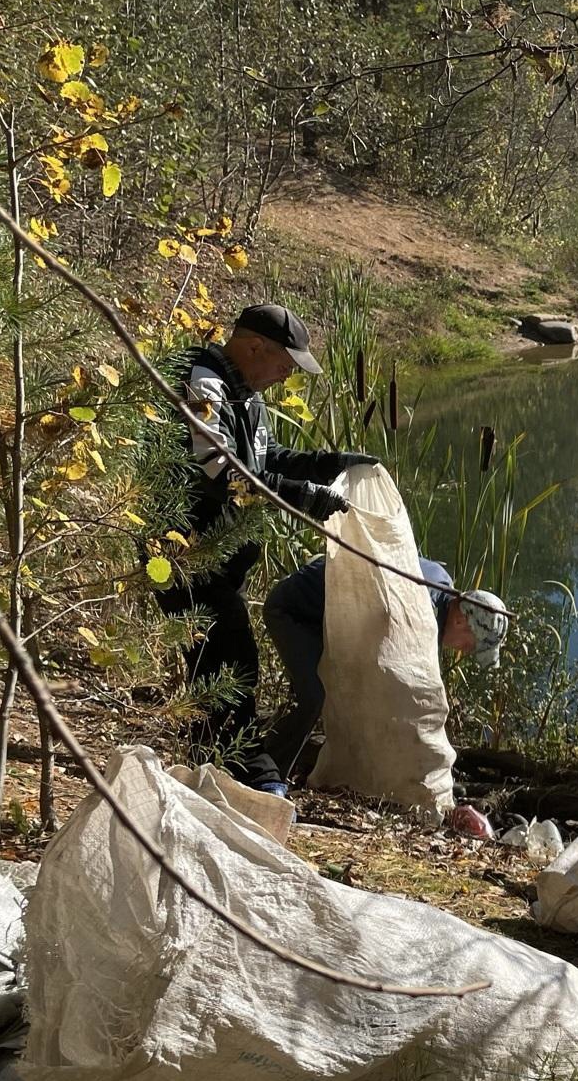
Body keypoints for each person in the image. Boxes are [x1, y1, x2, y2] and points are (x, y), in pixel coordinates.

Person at [156, 303, 377, 791]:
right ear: (254, 347)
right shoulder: (204, 383)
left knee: (218, 667)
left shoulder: (245, 394)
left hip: (216, 562)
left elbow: (267, 458)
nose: (284, 376)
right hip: (187, 557)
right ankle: (252, 778)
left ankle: (209, 774)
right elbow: (221, 471)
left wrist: (329, 465)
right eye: (284, 365)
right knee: (232, 665)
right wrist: (302, 496)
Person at [259, 553, 508, 792]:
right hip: (297, 609)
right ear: (460, 621)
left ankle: (255, 754)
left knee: (315, 694)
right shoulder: (423, 616)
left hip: (325, 616)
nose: (463, 651)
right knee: (313, 696)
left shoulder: (440, 580)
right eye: (469, 644)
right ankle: (266, 779)